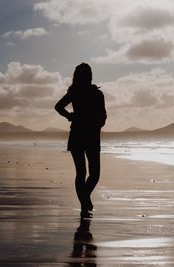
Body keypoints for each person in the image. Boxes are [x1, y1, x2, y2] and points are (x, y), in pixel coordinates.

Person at [55, 63, 106, 218]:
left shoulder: (94, 93)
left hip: (84, 135)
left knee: (90, 173)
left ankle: (84, 200)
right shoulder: (78, 92)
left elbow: (103, 115)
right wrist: (70, 116)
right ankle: (85, 204)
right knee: (86, 172)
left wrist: (71, 116)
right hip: (84, 135)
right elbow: (58, 106)